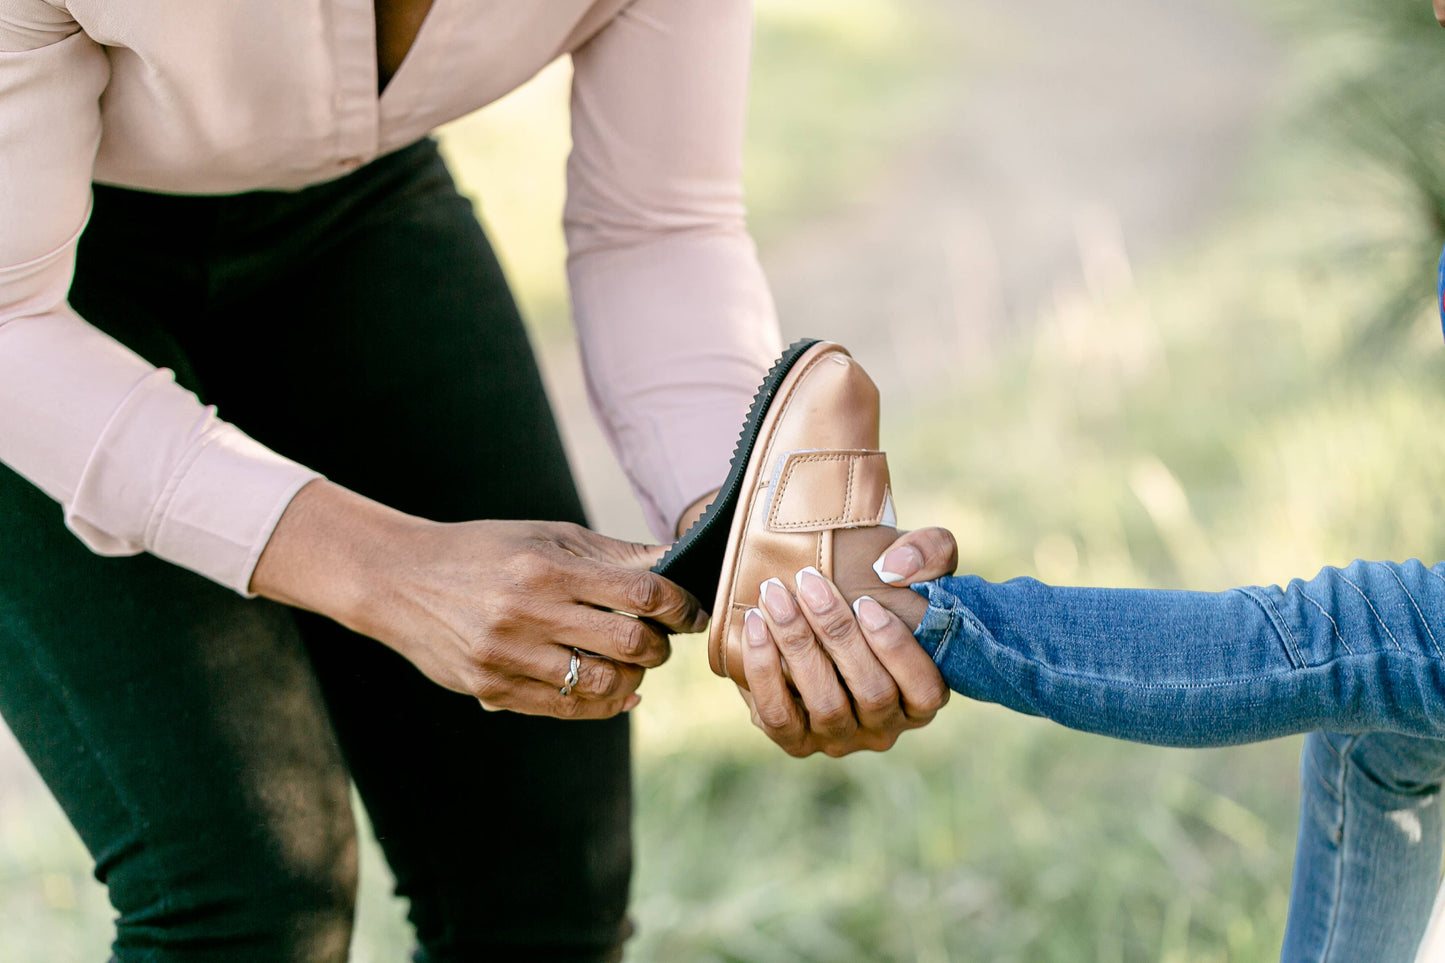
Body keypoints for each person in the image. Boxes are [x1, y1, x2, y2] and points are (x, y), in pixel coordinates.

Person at [0, 2, 949, 959]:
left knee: (544, 868)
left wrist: (752, 533)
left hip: (346, 201)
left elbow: (660, 222)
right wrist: (384, 570)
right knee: (245, 896)